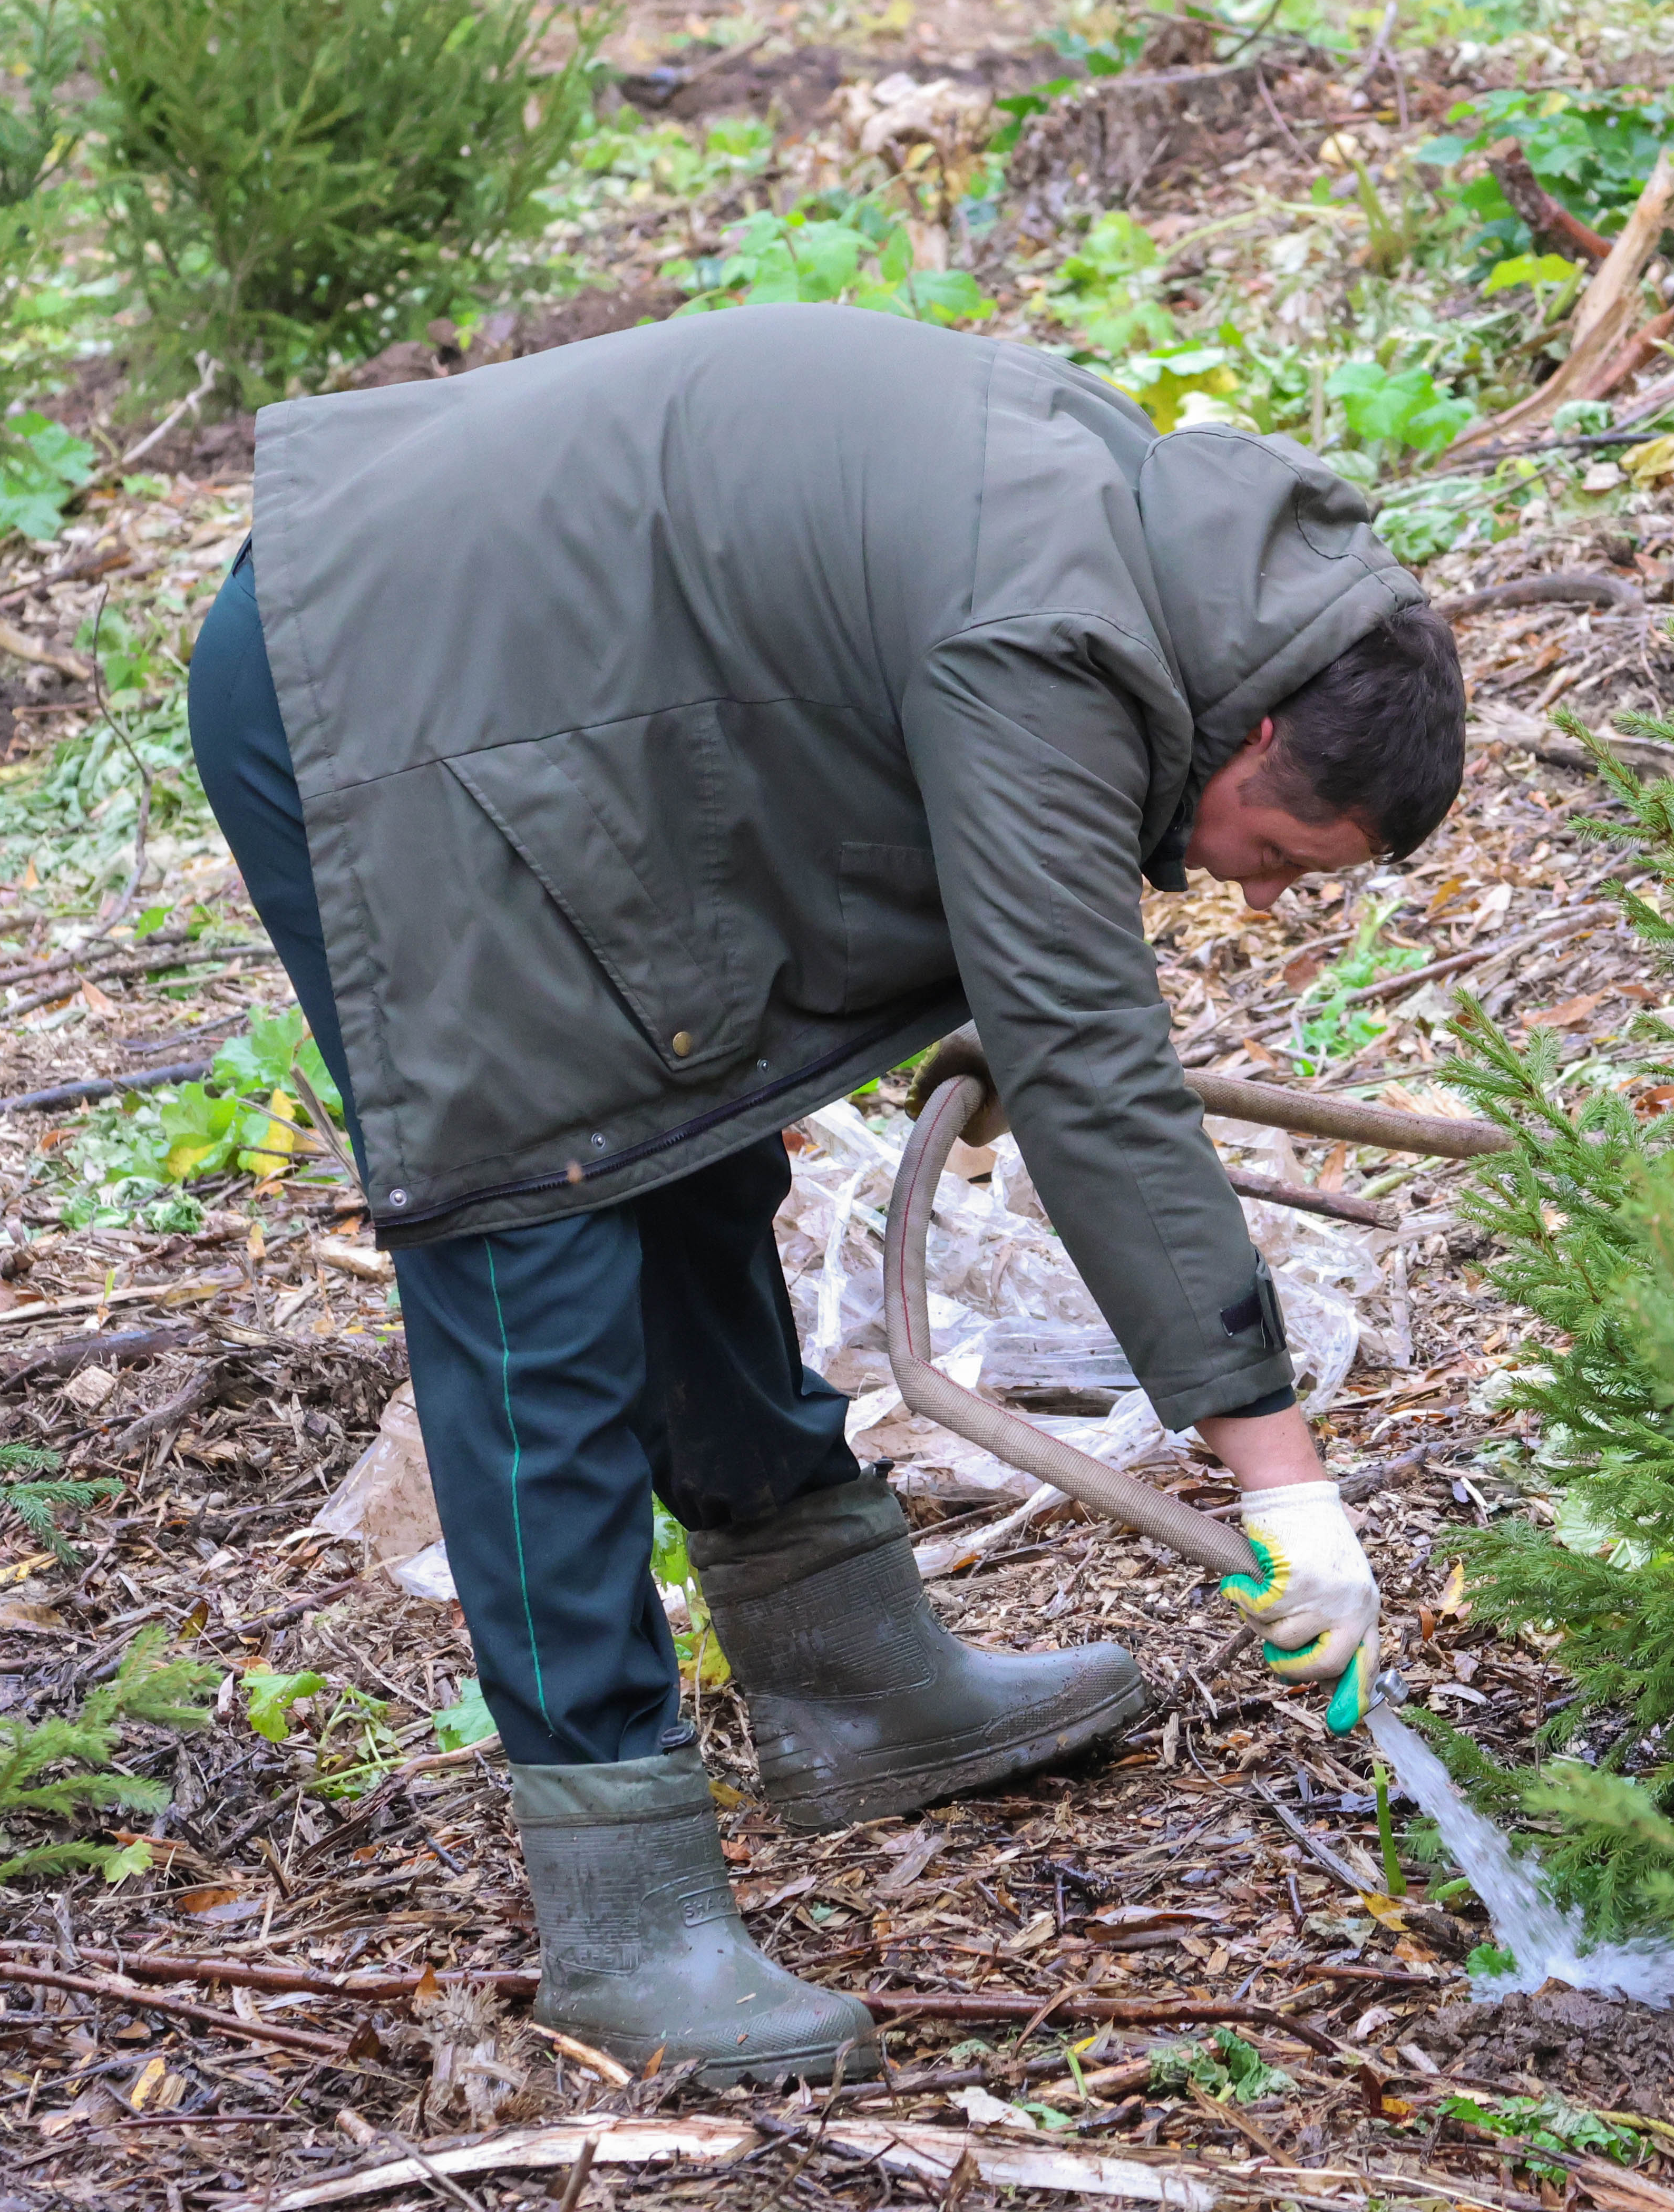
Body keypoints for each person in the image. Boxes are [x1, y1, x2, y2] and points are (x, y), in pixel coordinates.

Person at [187, 302, 1465, 2087]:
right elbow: (1093, 1046)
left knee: (685, 1150)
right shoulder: (1059, 630)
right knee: (533, 1238)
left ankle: (843, 1675)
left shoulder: (1155, 555)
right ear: (1252, 738)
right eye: (1276, 861)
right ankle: (624, 1913)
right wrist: (1281, 1475)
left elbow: (1002, 855)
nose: (1250, 901)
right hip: (386, 687)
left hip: (559, 696)